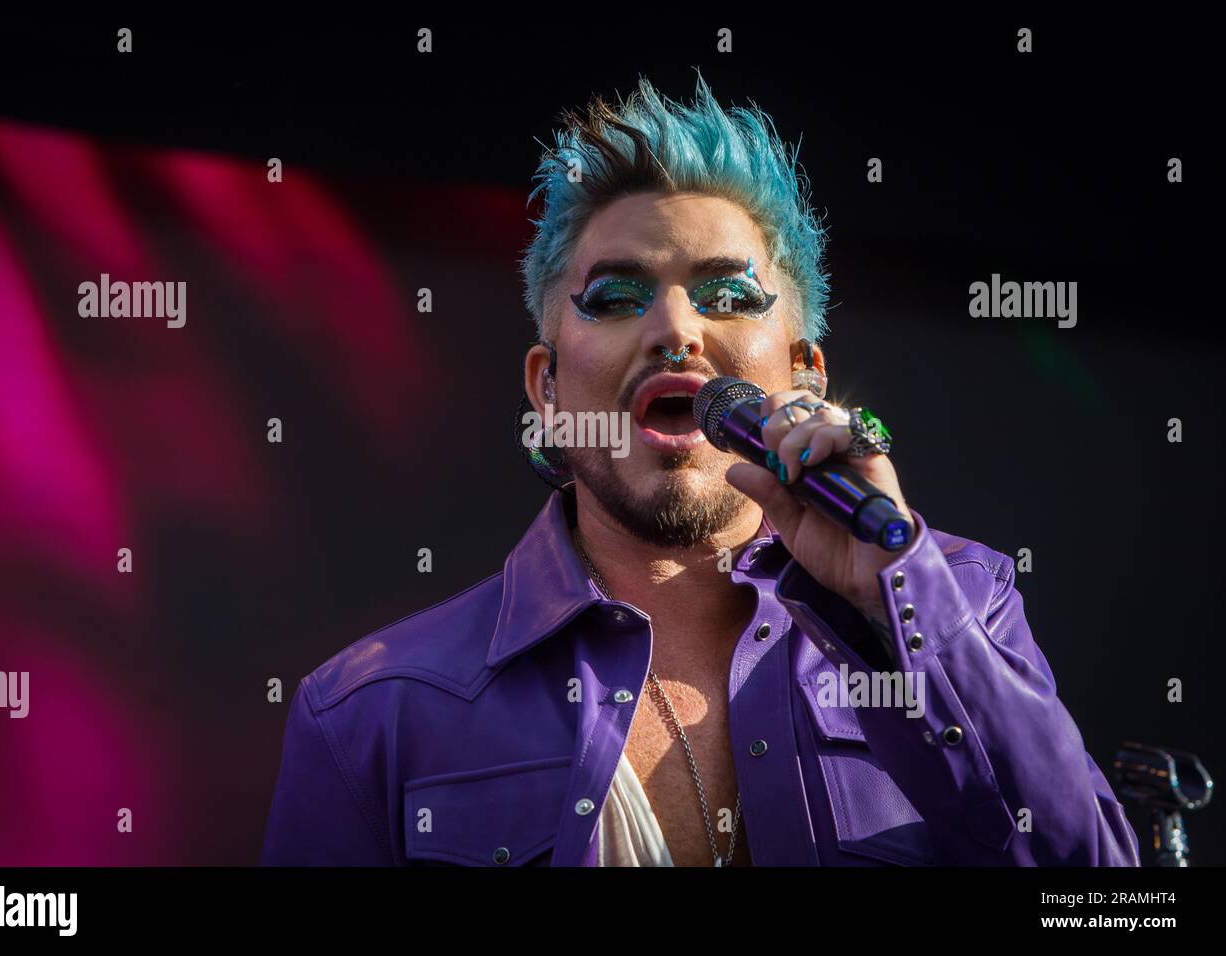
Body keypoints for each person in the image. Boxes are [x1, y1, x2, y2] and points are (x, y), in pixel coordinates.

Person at [261, 71, 1139, 866]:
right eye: (616, 297)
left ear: (805, 375)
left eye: (726, 295)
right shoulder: (370, 712)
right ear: (548, 386)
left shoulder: (960, 596)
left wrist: (894, 608)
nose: (675, 329)